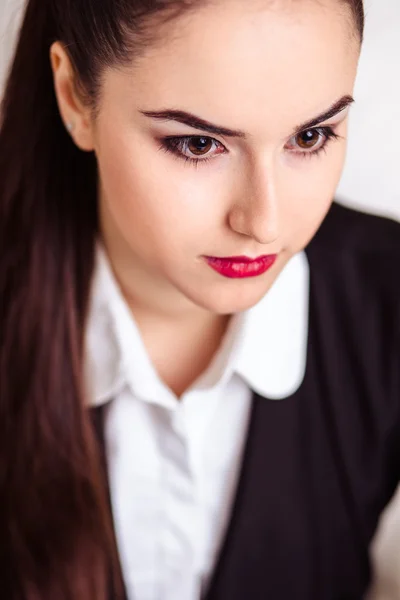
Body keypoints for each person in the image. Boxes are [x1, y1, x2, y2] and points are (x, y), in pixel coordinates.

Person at [1, 0, 399, 598]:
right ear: (75, 96)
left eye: (310, 136)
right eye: (196, 145)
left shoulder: (386, 299)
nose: (263, 222)